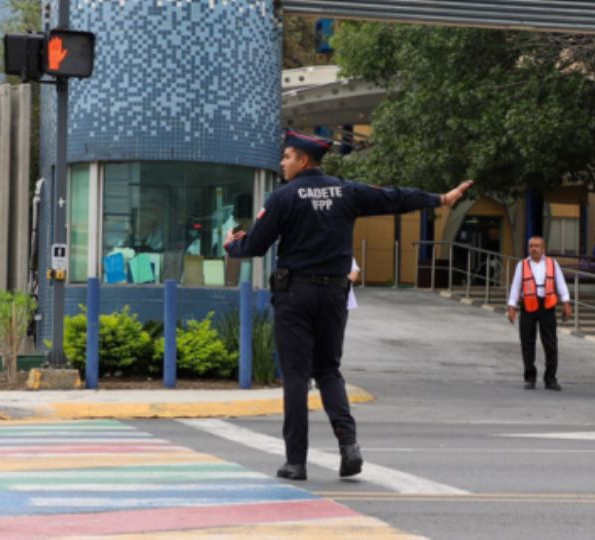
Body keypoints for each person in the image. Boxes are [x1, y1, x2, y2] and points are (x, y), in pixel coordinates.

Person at [223, 129, 473, 481]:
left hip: (295, 295)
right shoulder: (347, 190)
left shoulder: (283, 197)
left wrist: (230, 245)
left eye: (288, 156)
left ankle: (296, 462)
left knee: (296, 377)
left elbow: (253, 247)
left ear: (304, 160)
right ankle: (349, 445)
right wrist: (440, 199)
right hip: (333, 295)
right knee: (328, 371)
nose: (282, 162)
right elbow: (393, 198)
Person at [506, 236, 572, 391]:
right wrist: (511, 307)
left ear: (543, 249)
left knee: (550, 343)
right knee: (527, 343)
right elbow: (515, 287)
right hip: (528, 306)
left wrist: (566, 303)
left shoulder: (552, 263)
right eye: (531, 246)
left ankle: (551, 379)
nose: (533, 249)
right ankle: (530, 377)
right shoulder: (522, 265)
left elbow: (561, 284)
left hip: (547, 306)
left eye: (536, 246)